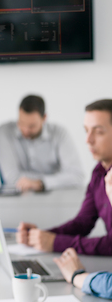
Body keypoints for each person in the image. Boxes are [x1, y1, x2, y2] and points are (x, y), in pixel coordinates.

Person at [17, 99, 112, 256]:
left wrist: (56, 242)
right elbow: (82, 223)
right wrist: (40, 236)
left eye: (99, 132)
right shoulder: (98, 172)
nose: (88, 140)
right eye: (86, 131)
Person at [0, 95, 84, 191]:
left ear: (44, 118)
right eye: (21, 123)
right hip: (19, 196)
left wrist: (42, 183)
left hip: (55, 196)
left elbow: (77, 176)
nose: (25, 130)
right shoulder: (5, 132)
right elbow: (11, 178)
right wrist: (56, 179)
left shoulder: (59, 133)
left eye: (32, 126)